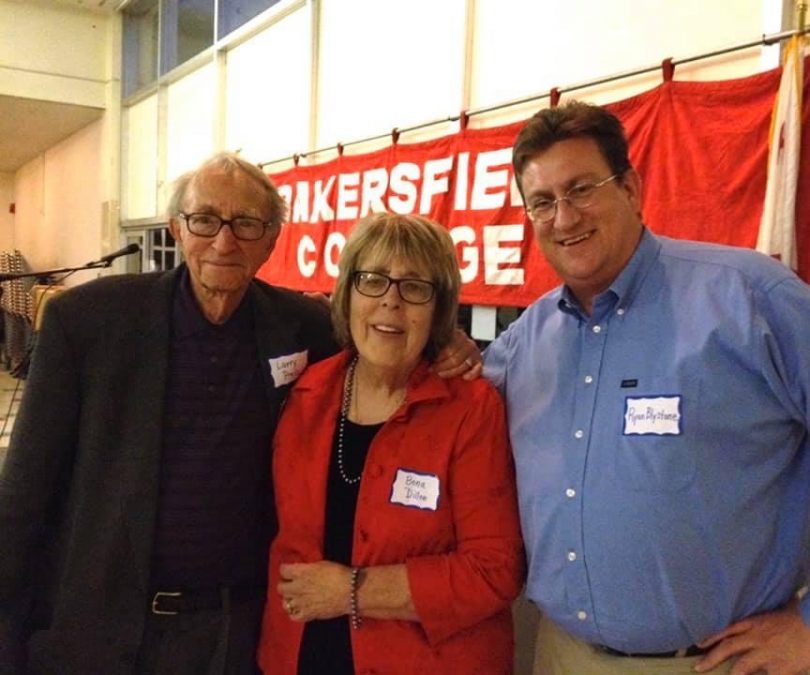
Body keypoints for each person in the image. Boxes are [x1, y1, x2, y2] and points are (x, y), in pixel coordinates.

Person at [0, 153, 479, 675]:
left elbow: (383, 331)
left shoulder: (302, 326)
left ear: (271, 238)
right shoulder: (88, 321)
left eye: (246, 224)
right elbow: (24, 494)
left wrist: (446, 342)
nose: (224, 242)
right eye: (205, 220)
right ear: (176, 229)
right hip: (102, 624)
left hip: (236, 632)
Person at [483, 101, 810, 675]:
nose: (563, 218)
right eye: (542, 202)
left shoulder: (747, 298)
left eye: (581, 189)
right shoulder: (526, 341)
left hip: (715, 663)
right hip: (561, 655)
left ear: (630, 188)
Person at [257, 212, 524, 675]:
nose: (391, 303)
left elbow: (494, 570)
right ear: (347, 293)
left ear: (439, 309)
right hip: (298, 656)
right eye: (372, 281)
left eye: (415, 287)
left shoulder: (470, 409)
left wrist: (352, 591)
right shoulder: (305, 394)